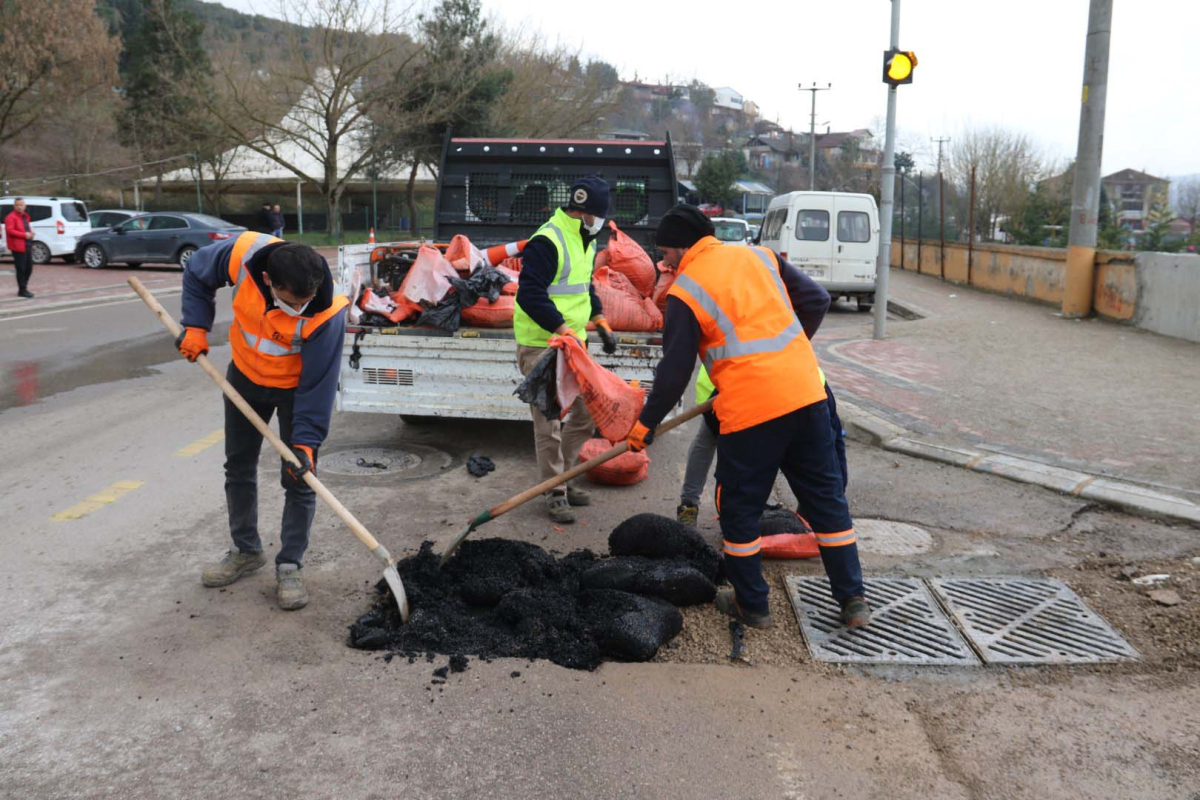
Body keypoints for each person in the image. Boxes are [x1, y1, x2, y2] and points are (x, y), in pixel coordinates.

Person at [628, 205, 869, 630]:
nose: (663, 261)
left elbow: (674, 371)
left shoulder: (686, 290)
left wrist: (645, 424)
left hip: (751, 409)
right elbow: (817, 299)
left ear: (683, 247)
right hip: (807, 393)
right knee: (827, 502)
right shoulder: (761, 256)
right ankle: (853, 600)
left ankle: (752, 605)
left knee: (739, 509)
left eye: (665, 252)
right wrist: (787, 354)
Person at [176, 232, 349, 610]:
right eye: (291, 302)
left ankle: (290, 564)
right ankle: (246, 550)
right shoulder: (245, 253)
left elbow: (318, 385)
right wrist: (195, 325)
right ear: (269, 281)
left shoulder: (328, 309)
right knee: (238, 466)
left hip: (294, 392)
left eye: (305, 303)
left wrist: (304, 442)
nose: (300, 310)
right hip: (244, 378)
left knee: (301, 477)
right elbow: (197, 273)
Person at [514, 176, 618, 524]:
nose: (602, 223)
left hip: (573, 344)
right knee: (549, 422)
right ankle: (554, 491)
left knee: (589, 413)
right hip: (542, 344)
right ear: (587, 213)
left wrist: (600, 319)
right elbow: (529, 295)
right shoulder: (548, 239)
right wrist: (561, 330)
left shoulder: (584, 238)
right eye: (600, 216)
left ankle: (565, 476)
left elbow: (583, 285)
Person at [676, 365, 849, 526]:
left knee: (765, 455)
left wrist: (830, 499)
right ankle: (690, 505)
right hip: (727, 389)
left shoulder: (819, 399)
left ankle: (801, 512)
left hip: (775, 389)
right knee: (711, 444)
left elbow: (834, 449)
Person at [4, 198, 35, 298]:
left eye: (21, 205)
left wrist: (30, 234)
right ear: (14, 206)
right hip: (17, 247)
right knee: (21, 269)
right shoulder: (10, 217)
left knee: (29, 268)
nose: (19, 207)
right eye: (17, 205)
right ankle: (22, 290)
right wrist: (24, 235)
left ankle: (24, 287)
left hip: (27, 245)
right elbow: (10, 231)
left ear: (25, 206)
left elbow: (26, 228)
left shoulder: (25, 216)